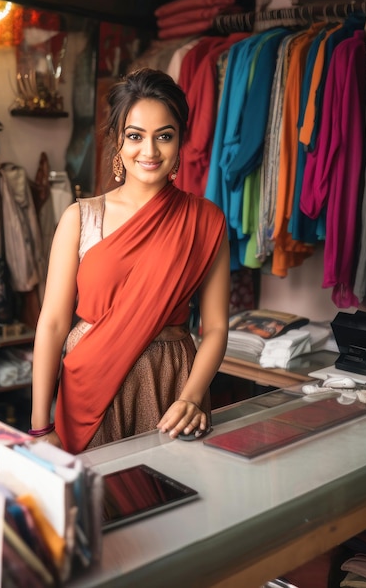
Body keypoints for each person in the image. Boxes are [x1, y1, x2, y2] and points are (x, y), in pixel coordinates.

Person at [30, 67, 230, 454]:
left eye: (164, 137)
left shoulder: (205, 220)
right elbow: (53, 323)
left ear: (180, 141)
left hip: (171, 385)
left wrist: (190, 397)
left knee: (175, 505)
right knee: (92, 507)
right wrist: (40, 427)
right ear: (117, 142)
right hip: (88, 381)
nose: (150, 151)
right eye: (135, 137)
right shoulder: (80, 218)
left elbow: (217, 327)